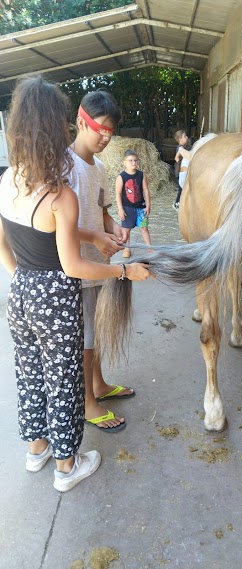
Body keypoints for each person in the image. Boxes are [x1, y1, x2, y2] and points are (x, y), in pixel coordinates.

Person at [0, 75, 151, 492]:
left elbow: (11, 242)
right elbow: (72, 267)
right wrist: (125, 270)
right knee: (65, 382)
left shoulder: (8, 180)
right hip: (56, 299)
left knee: (29, 374)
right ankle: (66, 467)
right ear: (57, 128)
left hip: (22, 294)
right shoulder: (61, 194)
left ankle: (37, 451)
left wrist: (26, 281)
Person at [70, 91, 137, 433]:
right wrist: (95, 238)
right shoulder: (63, 166)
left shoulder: (98, 167)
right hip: (76, 268)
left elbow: (103, 213)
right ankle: (86, 403)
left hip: (99, 263)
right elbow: (57, 227)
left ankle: (98, 385)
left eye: (111, 133)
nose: (105, 139)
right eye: (101, 131)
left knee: (94, 334)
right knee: (85, 339)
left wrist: (115, 230)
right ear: (82, 122)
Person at [115, 149, 151, 258]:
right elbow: (118, 194)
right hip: (127, 208)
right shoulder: (121, 177)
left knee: (144, 228)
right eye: (130, 160)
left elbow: (146, 190)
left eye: (136, 160)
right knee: (126, 230)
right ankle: (127, 249)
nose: (134, 163)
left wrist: (148, 205)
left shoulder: (141, 175)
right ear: (124, 162)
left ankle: (150, 249)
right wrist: (120, 209)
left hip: (140, 208)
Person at [172, 130, 191, 212]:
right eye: (185, 136)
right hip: (180, 171)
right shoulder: (180, 148)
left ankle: (179, 203)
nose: (187, 137)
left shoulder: (183, 147)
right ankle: (177, 203)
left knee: (181, 189)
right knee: (181, 189)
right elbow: (177, 158)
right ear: (180, 139)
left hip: (180, 171)